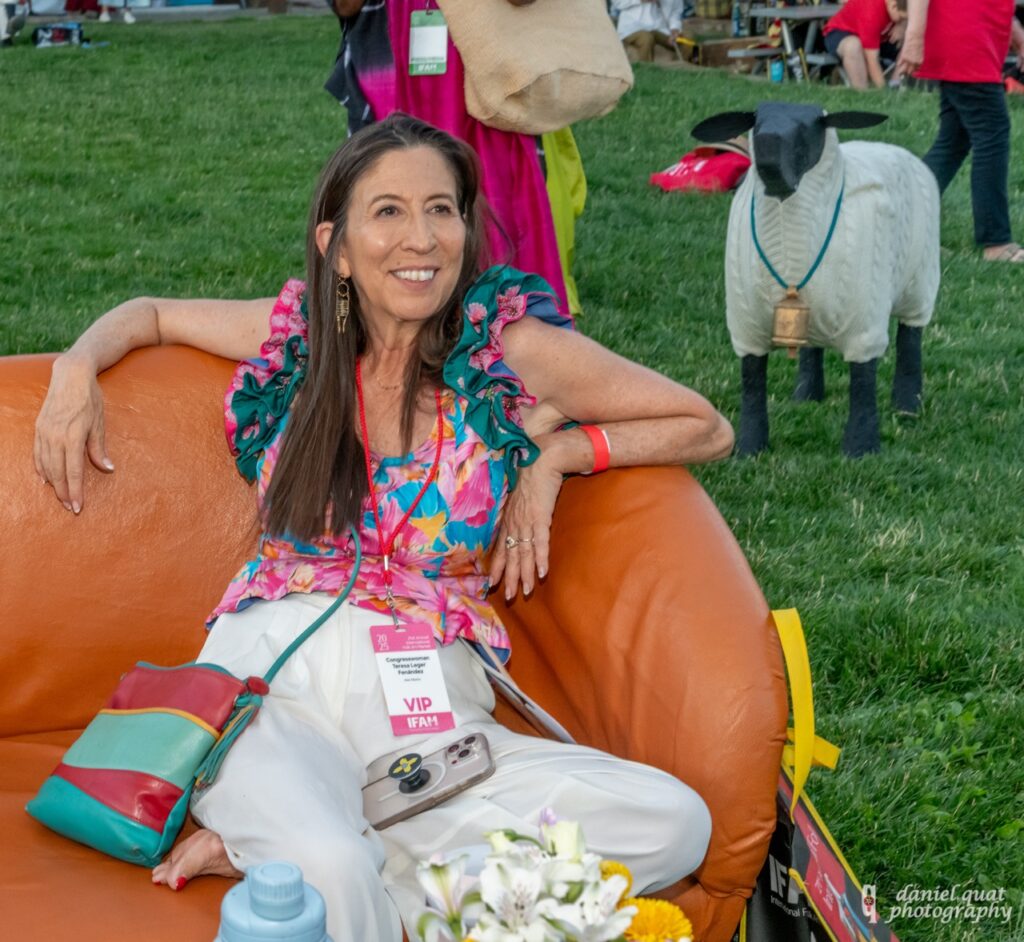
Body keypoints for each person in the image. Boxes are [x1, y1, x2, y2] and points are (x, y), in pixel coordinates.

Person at [33, 114, 732, 941]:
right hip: (272, 685)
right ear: (336, 241)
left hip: (427, 711)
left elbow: (703, 425)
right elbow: (147, 314)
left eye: (442, 209)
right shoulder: (297, 341)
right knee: (330, 866)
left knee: (673, 821)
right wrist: (76, 368)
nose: (421, 237)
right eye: (389, 211)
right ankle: (354, 855)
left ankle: (321, 855)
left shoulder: (506, 349)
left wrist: (560, 457)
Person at [324, 0, 582, 316]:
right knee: (389, 201)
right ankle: (392, 333)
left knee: (499, 210)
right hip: (389, 72)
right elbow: (345, 6)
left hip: (491, 80)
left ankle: (506, 330)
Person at [899, 0, 1024, 262]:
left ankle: (901, 224)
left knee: (954, 141)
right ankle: (997, 242)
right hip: (966, 42)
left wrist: (1015, 33)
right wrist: (913, 37)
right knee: (992, 133)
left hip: (972, 40)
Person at [822, 0, 907, 90]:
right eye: (902, 18)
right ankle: (862, 93)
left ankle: (895, 85)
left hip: (880, 36)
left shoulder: (897, 8)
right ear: (893, 6)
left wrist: (902, 25)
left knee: (911, 44)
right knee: (853, 46)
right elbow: (872, 60)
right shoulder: (871, 11)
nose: (904, 20)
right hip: (842, 32)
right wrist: (883, 92)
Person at [611, 0, 683, 64]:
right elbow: (617, 2)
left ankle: (689, 70)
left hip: (660, 27)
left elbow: (675, 12)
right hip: (632, 27)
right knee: (646, 38)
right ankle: (646, 71)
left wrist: (674, 29)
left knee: (683, 40)